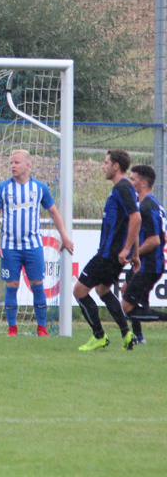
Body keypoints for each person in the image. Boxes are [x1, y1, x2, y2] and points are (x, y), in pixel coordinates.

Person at [0, 150, 74, 337]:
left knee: (37, 284)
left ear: (27, 165)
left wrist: (64, 236)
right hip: (10, 246)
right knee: (12, 284)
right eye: (11, 163)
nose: (13, 166)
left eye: (17, 162)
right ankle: (12, 329)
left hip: (33, 246)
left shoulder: (40, 188)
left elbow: (53, 211)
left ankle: (41, 329)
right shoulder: (2, 188)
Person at [73, 149, 141, 351]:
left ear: (115, 166)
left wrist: (127, 249)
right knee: (102, 290)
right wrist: (135, 253)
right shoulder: (124, 189)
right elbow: (132, 221)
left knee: (79, 291)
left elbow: (136, 218)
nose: (102, 166)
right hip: (115, 253)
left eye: (105, 162)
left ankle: (99, 336)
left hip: (109, 253)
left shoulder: (122, 188)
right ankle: (126, 334)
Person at [120, 165, 167, 344]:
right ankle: (139, 337)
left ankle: (142, 334)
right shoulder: (155, 205)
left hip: (149, 265)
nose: (130, 182)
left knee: (127, 306)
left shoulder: (147, 207)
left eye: (133, 179)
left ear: (143, 183)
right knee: (126, 291)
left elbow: (155, 240)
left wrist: (134, 253)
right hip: (145, 264)